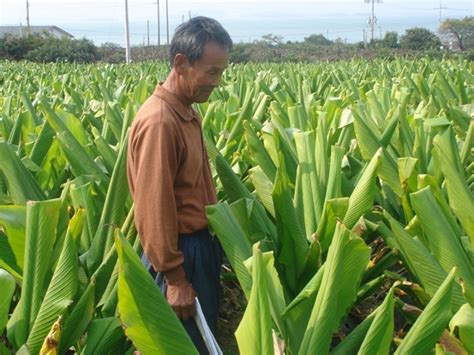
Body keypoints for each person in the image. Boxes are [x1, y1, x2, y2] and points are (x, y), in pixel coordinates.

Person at [126, 16, 232, 354]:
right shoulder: (161, 121)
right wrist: (174, 279)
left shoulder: (185, 111)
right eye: (212, 71)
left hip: (194, 250)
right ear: (181, 63)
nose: (217, 82)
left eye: (221, 73)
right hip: (179, 255)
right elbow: (153, 208)